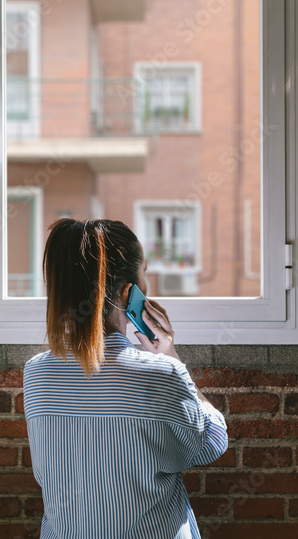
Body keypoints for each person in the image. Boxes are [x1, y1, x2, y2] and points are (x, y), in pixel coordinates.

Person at [23, 218, 229, 539]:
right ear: (129, 293)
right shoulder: (160, 373)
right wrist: (170, 357)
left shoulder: (35, 373)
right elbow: (211, 444)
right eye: (144, 273)